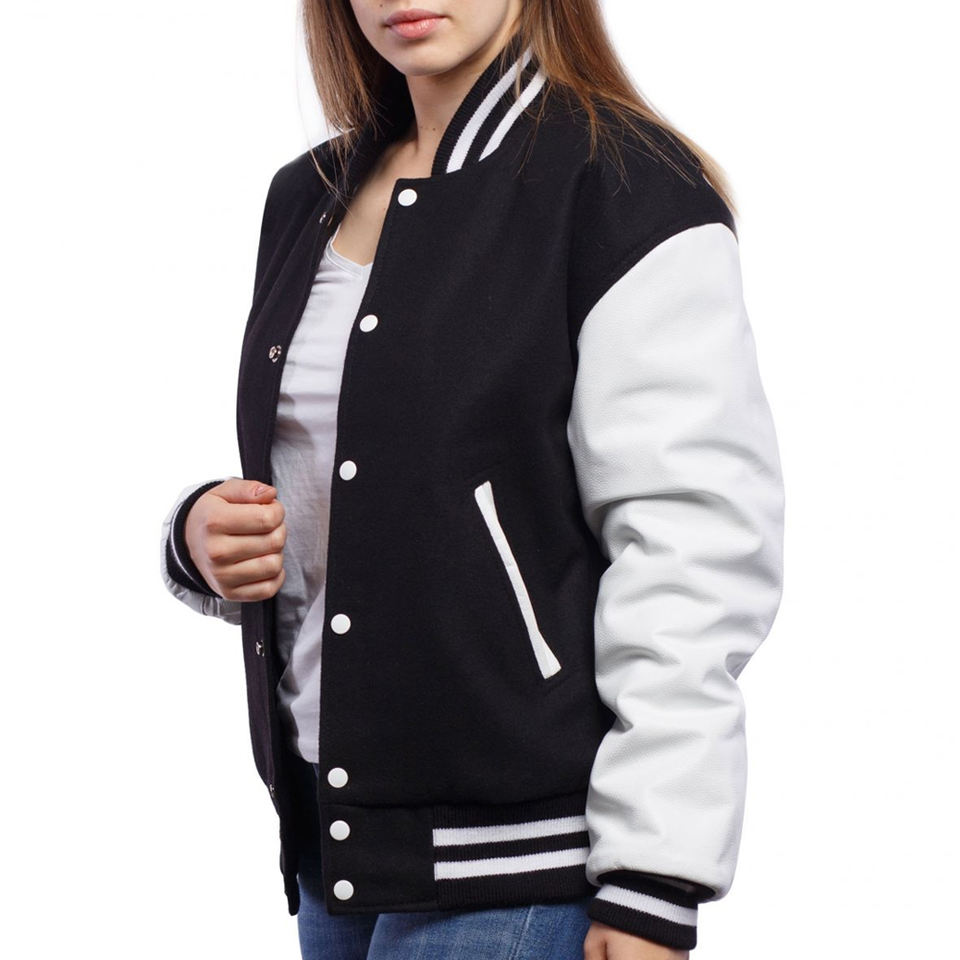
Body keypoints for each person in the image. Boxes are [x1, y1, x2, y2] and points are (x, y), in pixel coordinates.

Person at [159, 2, 785, 958]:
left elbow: (691, 550)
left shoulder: (621, 184)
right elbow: (354, 484)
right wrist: (202, 539)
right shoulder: (307, 195)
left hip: (527, 861)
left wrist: (655, 878)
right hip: (336, 850)